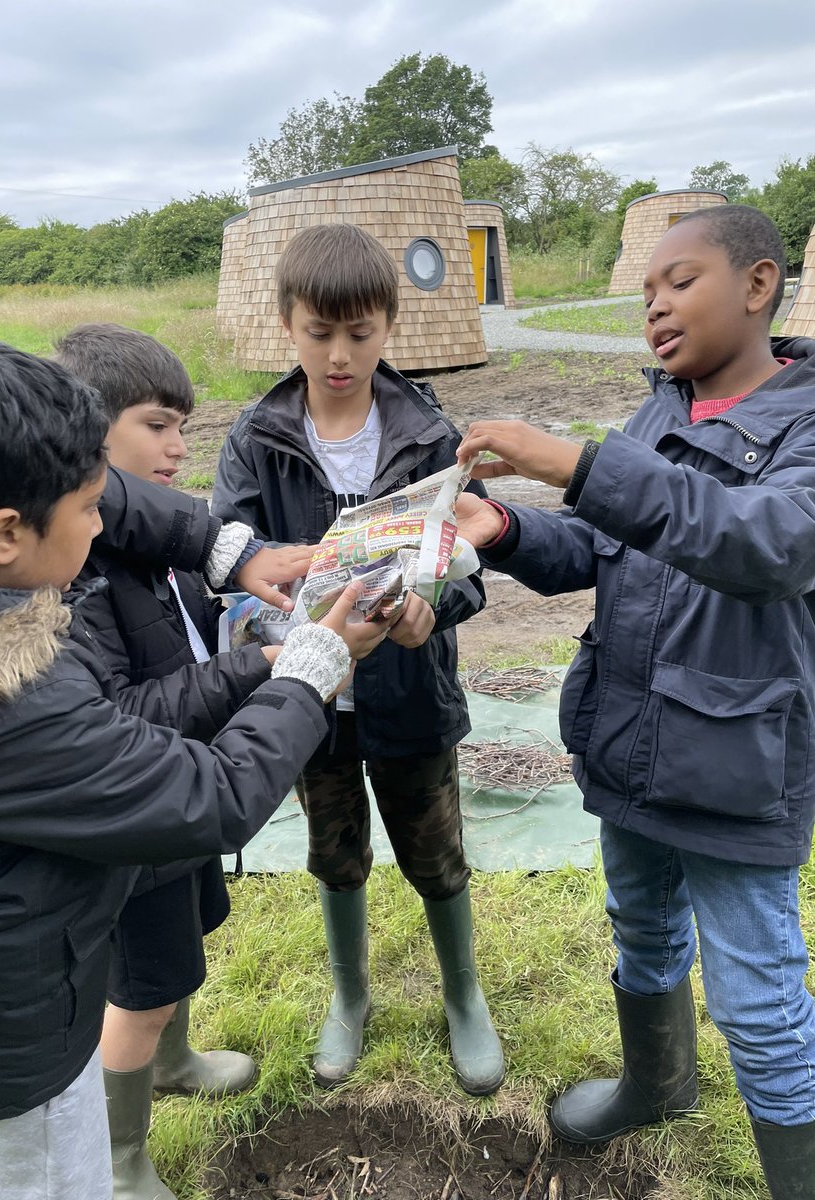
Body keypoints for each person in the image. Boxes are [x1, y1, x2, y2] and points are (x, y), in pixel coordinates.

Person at [0, 341, 384, 1200]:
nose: (106, 524)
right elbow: (210, 797)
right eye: (89, 507)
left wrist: (230, 562)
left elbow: (134, 503)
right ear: (6, 534)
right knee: (40, 1178)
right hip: (13, 1037)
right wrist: (310, 664)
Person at [453, 204, 815, 1198]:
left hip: (736, 766)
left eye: (680, 281)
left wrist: (570, 459)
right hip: (630, 739)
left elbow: (768, 545)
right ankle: (657, 1086)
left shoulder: (808, 421)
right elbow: (603, 548)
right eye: (647, 290)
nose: (654, 304)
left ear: (758, 284)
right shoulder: (658, 412)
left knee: (758, 994)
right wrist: (509, 529)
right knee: (641, 925)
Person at [211, 222, 505, 1096]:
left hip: (413, 691)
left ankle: (464, 996)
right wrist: (283, 623)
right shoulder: (256, 438)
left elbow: (472, 561)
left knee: (435, 851)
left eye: (360, 333)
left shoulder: (428, 433)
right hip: (312, 699)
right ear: (287, 324)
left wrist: (431, 613)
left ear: (388, 326)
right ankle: (349, 996)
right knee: (335, 853)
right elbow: (232, 565)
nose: (340, 355)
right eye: (319, 333)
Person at [54, 321, 315, 1200]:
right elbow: (115, 716)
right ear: (90, 436)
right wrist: (260, 666)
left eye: (182, 428)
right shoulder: (80, 568)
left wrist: (241, 624)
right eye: (157, 426)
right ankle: (122, 1161)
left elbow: (182, 643)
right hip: (139, 814)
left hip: (181, 790)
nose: (177, 449)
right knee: (143, 985)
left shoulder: (153, 538)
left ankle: (173, 1062)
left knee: (180, 954)